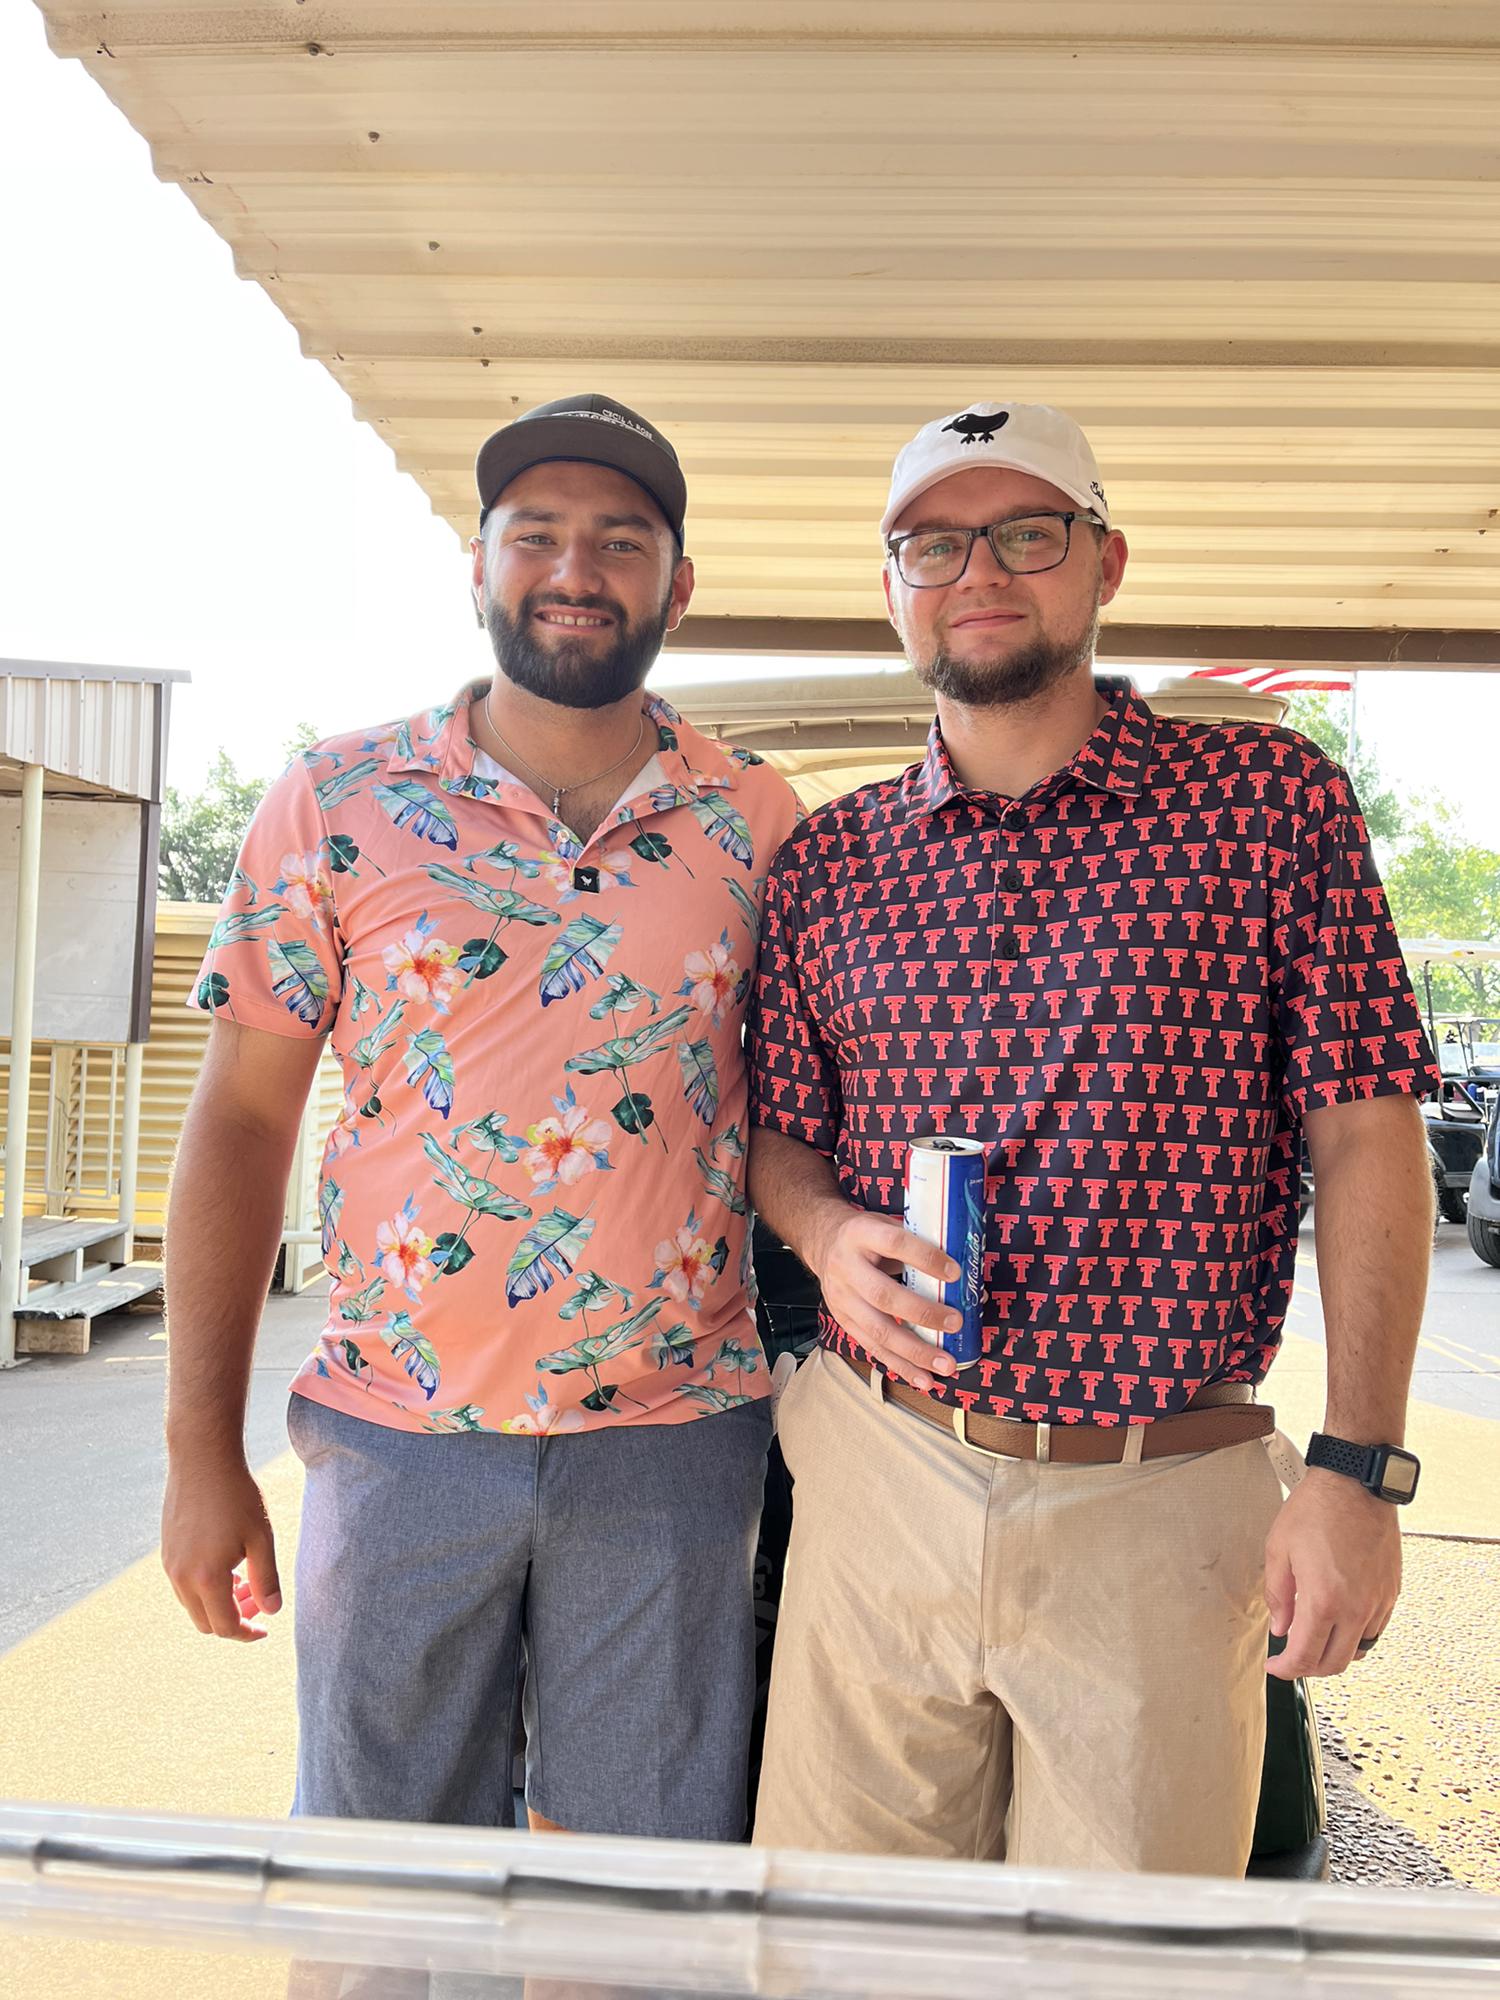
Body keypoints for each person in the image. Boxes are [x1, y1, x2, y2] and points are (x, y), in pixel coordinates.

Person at [746, 400, 1439, 1874]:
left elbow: (1367, 1137)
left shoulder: (1268, 807)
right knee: (839, 1948)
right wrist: (822, 1232)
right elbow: (780, 1146)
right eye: (932, 543)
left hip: (1159, 1492)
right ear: (891, 587)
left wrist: (1360, 1470)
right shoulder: (827, 862)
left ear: (1105, 561)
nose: (978, 570)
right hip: (884, 1472)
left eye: (1028, 531)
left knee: (1122, 1964)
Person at [161, 393, 800, 1841]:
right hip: (397, 1440)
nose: (577, 568)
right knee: (385, 1900)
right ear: (478, 563)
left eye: (622, 539)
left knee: (638, 1911)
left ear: (678, 583)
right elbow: (243, 1126)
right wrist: (200, 1453)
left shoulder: (759, 822)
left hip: (674, 1438)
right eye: (539, 534)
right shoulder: (337, 798)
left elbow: (794, 1120)